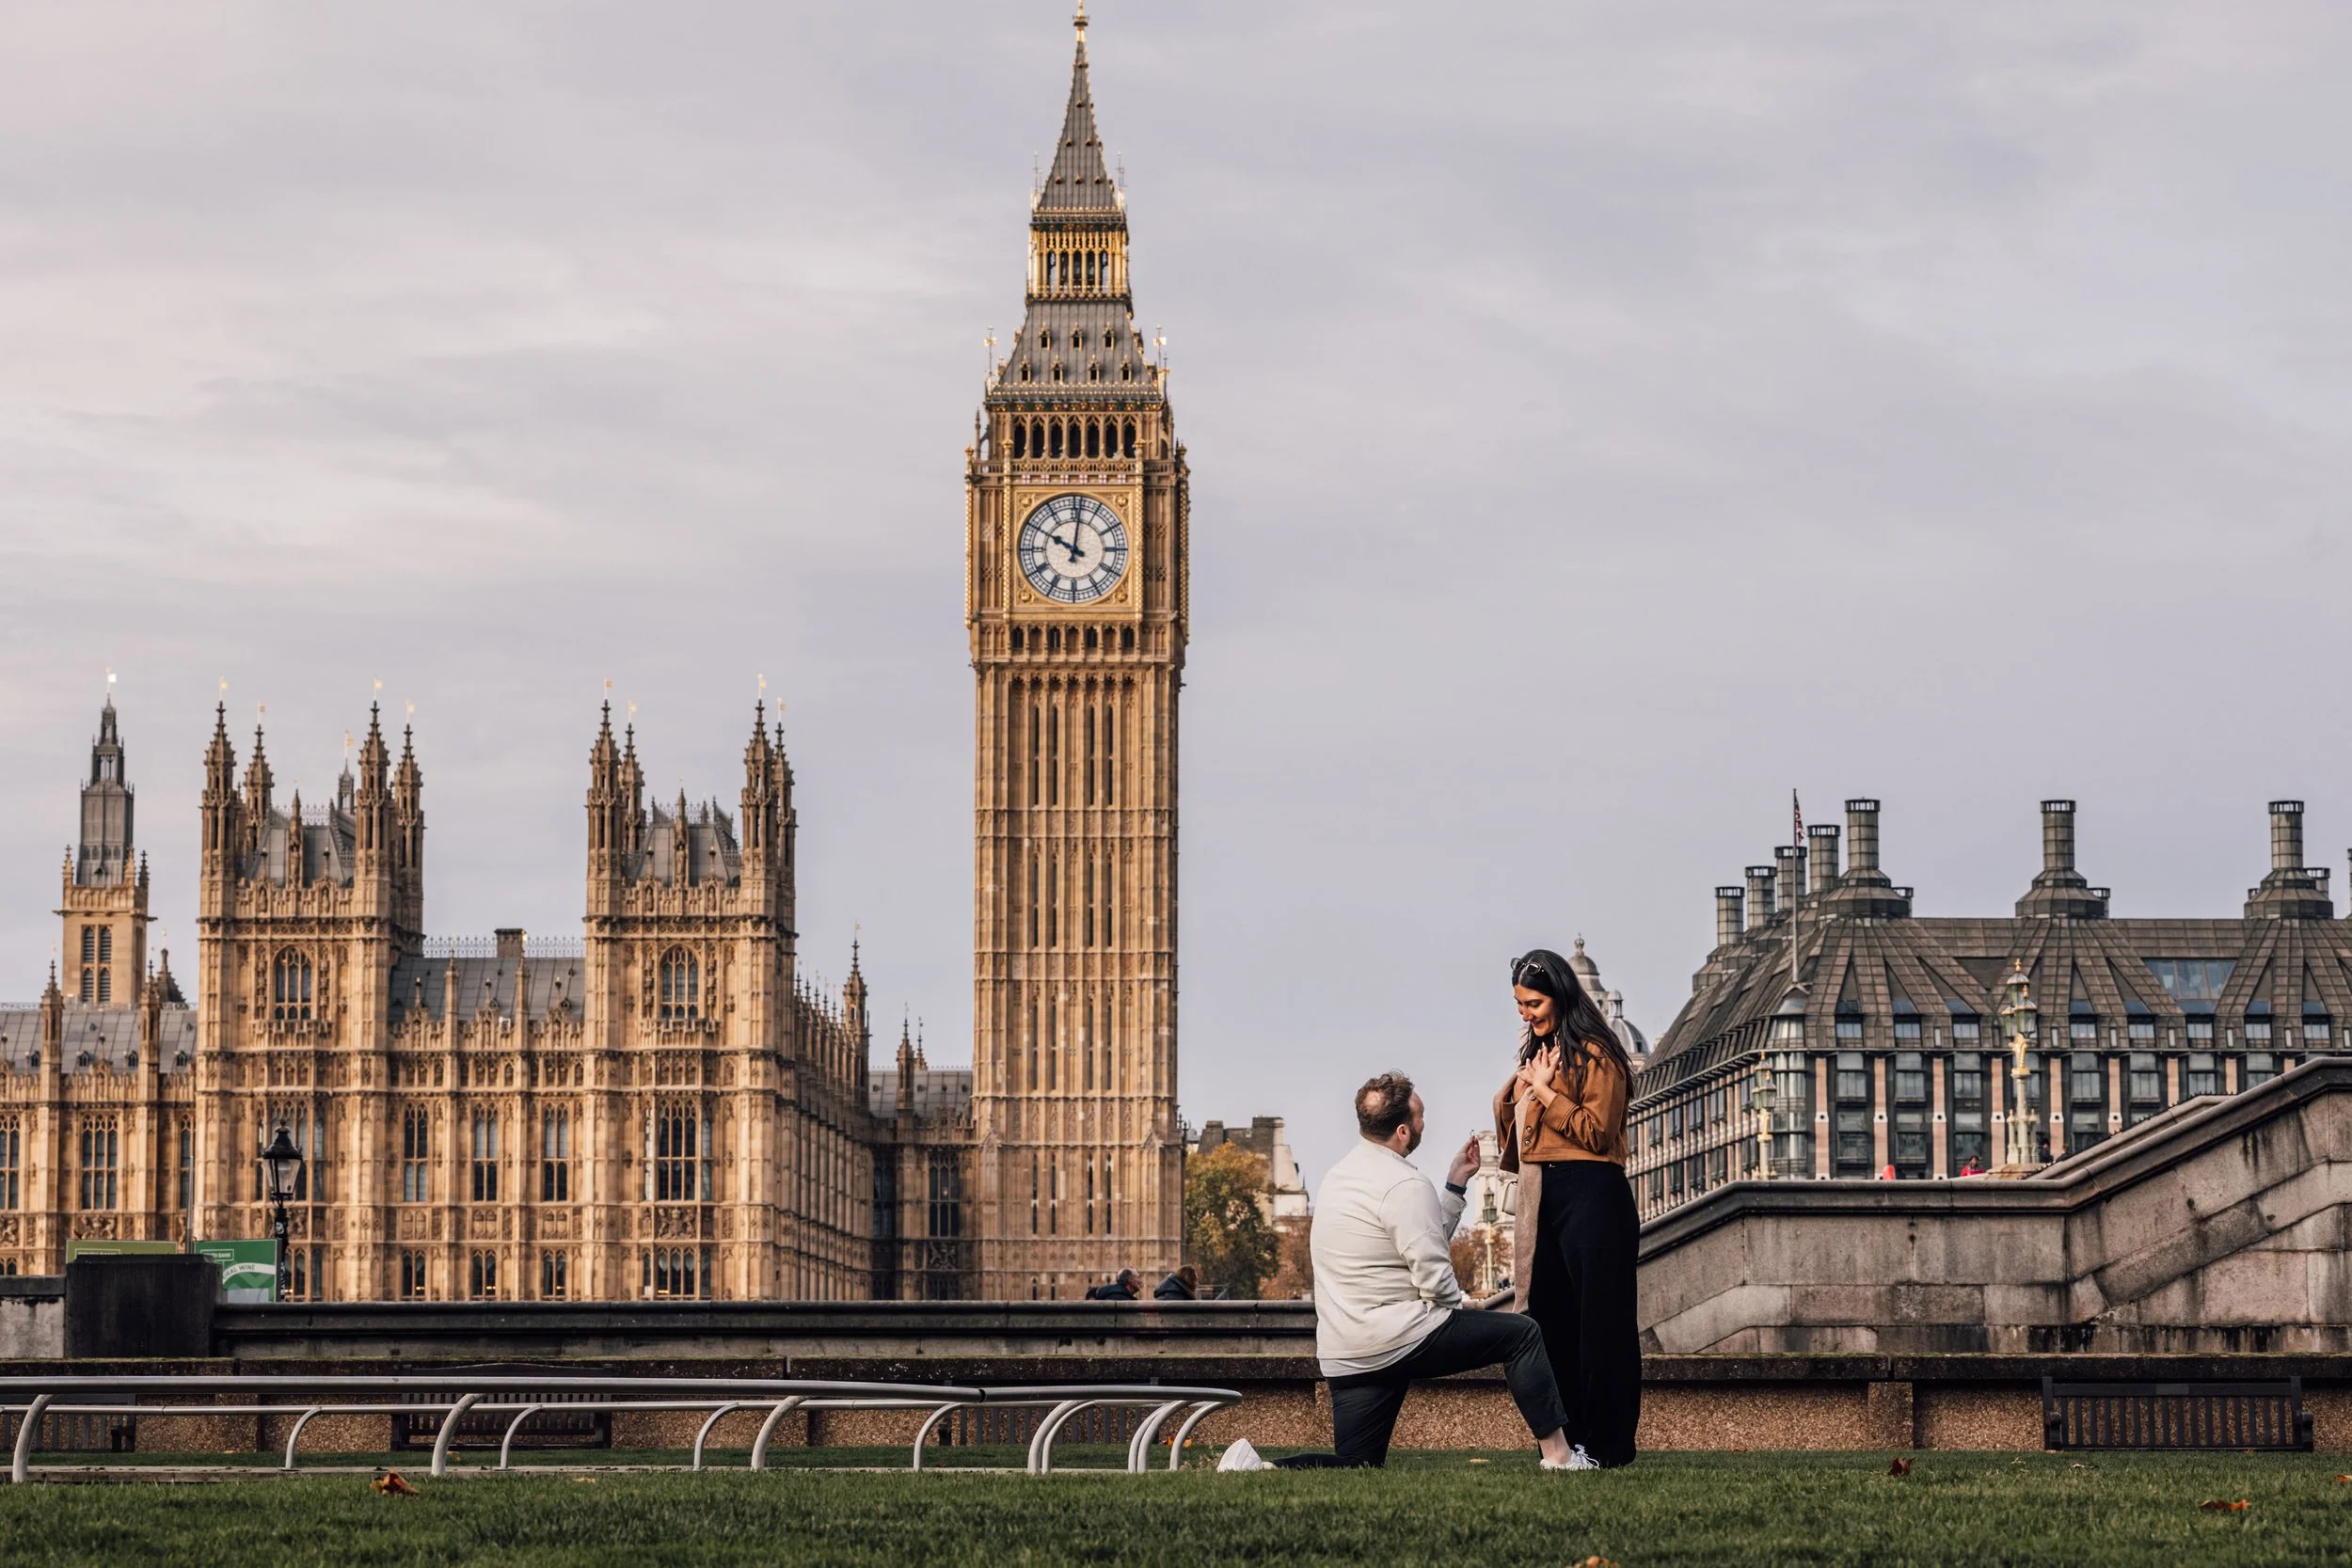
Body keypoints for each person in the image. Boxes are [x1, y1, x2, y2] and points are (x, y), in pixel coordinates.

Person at [1241, 1071, 1581, 1471]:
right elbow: (1435, 1279)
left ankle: (1260, 1468)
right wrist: (1461, 1314)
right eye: (1420, 1117)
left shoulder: (1339, 1177)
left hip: (1344, 1351)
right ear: (1403, 1131)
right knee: (1522, 1335)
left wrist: (1454, 1186)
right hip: (1399, 1336)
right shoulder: (1406, 1183)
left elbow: (1419, 1236)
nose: (1424, 1124)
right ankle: (1560, 1457)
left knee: (1356, 1464)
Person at [1492, 949, 1642, 1469]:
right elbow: (1515, 1134)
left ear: (1560, 996)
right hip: (1546, 1193)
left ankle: (1608, 1446)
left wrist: (1543, 1091)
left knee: (1602, 1327)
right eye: (1519, 1004)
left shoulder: (1599, 1053)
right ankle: (1571, 1442)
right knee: (1550, 1323)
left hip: (1593, 1192)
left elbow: (1598, 1133)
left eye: (1533, 1003)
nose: (1525, 1013)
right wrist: (1525, 1084)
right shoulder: (1541, 1054)